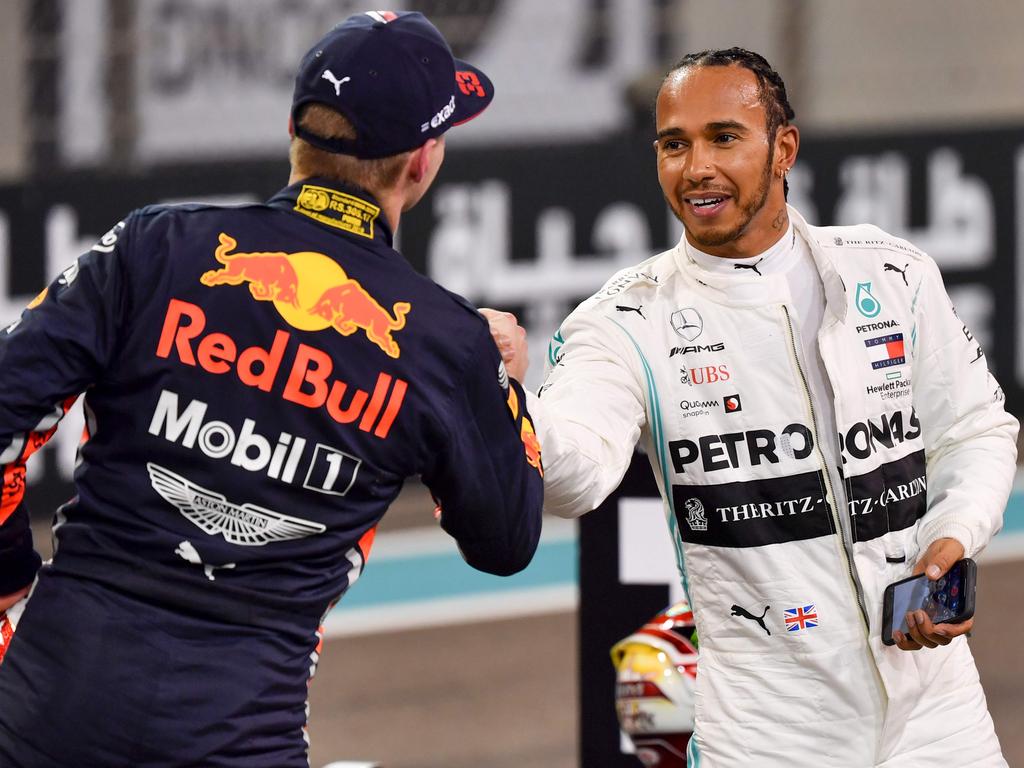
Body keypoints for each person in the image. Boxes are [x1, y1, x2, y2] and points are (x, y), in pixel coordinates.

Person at [0, 11, 543, 767]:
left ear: (294, 130)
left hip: (44, 705)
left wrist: (8, 586)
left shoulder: (158, 245)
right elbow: (506, 540)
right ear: (422, 161)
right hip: (238, 734)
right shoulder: (444, 342)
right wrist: (505, 389)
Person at [486, 48, 1018, 766]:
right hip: (769, 733)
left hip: (939, 714)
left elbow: (977, 430)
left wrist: (952, 535)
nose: (695, 166)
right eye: (674, 144)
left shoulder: (891, 272)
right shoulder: (622, 320)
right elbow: (576, 473)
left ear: (783, 148)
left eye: (723, 138)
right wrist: (503, 399)